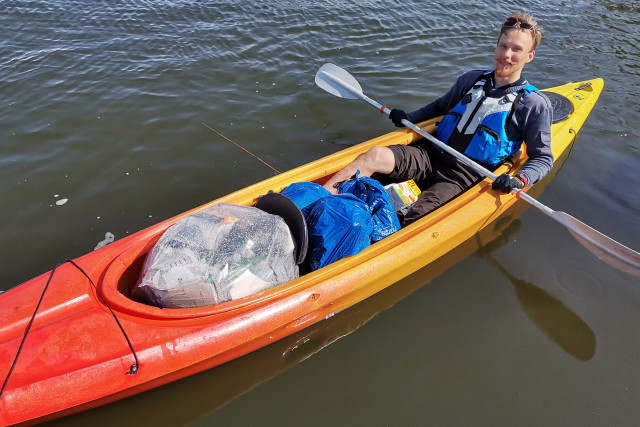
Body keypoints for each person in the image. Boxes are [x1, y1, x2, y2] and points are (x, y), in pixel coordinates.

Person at [323, 12, 553, 226]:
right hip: (430, 154)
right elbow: (440, 106)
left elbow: (543, 159)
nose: (506, 55)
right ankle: (318, 201)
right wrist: (409, 117)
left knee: (415, 220)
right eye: (503, 46)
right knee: (374, 155)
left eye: (516, 49)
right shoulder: (471, 79)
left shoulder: (534, 104)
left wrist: (519, 180)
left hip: (464, 177)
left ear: (529, 56)